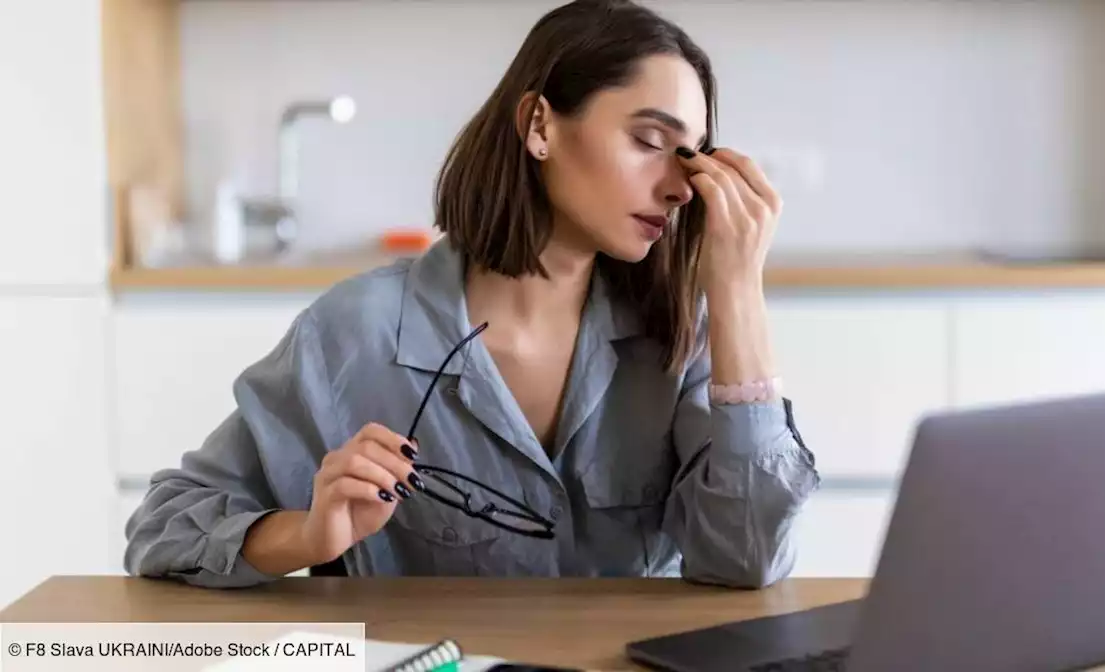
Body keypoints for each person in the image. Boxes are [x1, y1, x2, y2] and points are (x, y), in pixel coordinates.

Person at [123, 0, 820, 590]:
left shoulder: (682, 333)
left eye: (690, 156)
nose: (677, 186)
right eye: (649, 140)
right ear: (540, 125)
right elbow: (162, 529)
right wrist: (307, 535)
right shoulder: (356, 335)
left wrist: (735, 292)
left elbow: (748, 561)